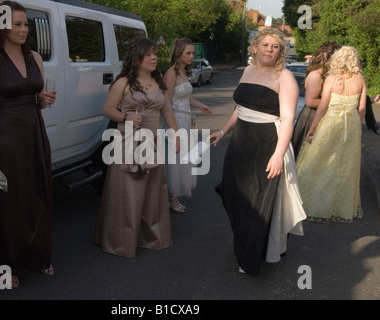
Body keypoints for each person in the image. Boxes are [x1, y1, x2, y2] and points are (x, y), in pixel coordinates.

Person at [208, 28, 306, 277]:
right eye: (266, 45)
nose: (270, 50)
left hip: (267, 145)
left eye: (275, 46)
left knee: (256, 202)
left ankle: (251, 255)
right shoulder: (247, 71)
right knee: (232, 193)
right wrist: (222, 131)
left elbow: (287, 118)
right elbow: (239, 108)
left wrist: (278, 154)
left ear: (280, 50)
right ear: (255, 47)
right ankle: (248, 241)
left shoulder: (284, 77)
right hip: (240, 141)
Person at [0, 1, 57, 288]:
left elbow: (34, 98)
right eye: (17, 24)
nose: (24, 29)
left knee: (39, 195)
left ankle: (38, 256)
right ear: (2, 25)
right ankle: (7, 266)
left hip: (35, 134)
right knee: (9, 204)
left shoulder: (35, 56)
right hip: (7, 139)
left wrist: (42, 100)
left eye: (26, 24)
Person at [93, 36, 180, 258]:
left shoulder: (159, 79)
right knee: (128, 191)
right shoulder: (123, 82)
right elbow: (108, 109)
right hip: (128, 141)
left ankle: (149, 236)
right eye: (149, 54)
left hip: (153, 140)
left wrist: (175, 133)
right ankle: (121, 239)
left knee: (152, 189)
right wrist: (126, 117)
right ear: (137, 57)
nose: (154, 58)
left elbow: (167, 110)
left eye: (155, 54)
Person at [296, 46, 367, 222]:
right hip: (350, 125)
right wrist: (358, 127)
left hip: (331, 123)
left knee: (319, 162)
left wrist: (312, 128)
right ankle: (340, 208)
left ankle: (312, 204)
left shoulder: (331, 79)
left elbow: (322, 107)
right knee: (345, 167)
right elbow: (362, 108)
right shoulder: (361, 80)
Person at [163, 38, 211, 212]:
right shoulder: (171, 73)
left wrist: (201, 105)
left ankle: (175, 194)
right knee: (174, 160)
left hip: (186, 120)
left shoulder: (184, 72)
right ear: (179, 54)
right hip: (175, 120)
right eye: (188, 53)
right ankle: (171, 198)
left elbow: (185, 96)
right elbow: (166, 102)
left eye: (193, 53)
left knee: (184, 158)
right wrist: (173, 130)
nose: (192, 56)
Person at [292, 41, 341, 158]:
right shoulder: (316, 75)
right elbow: (310, 101)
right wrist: (335, 102)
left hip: (322, 116)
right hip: (311, 117)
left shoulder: (327, 75)